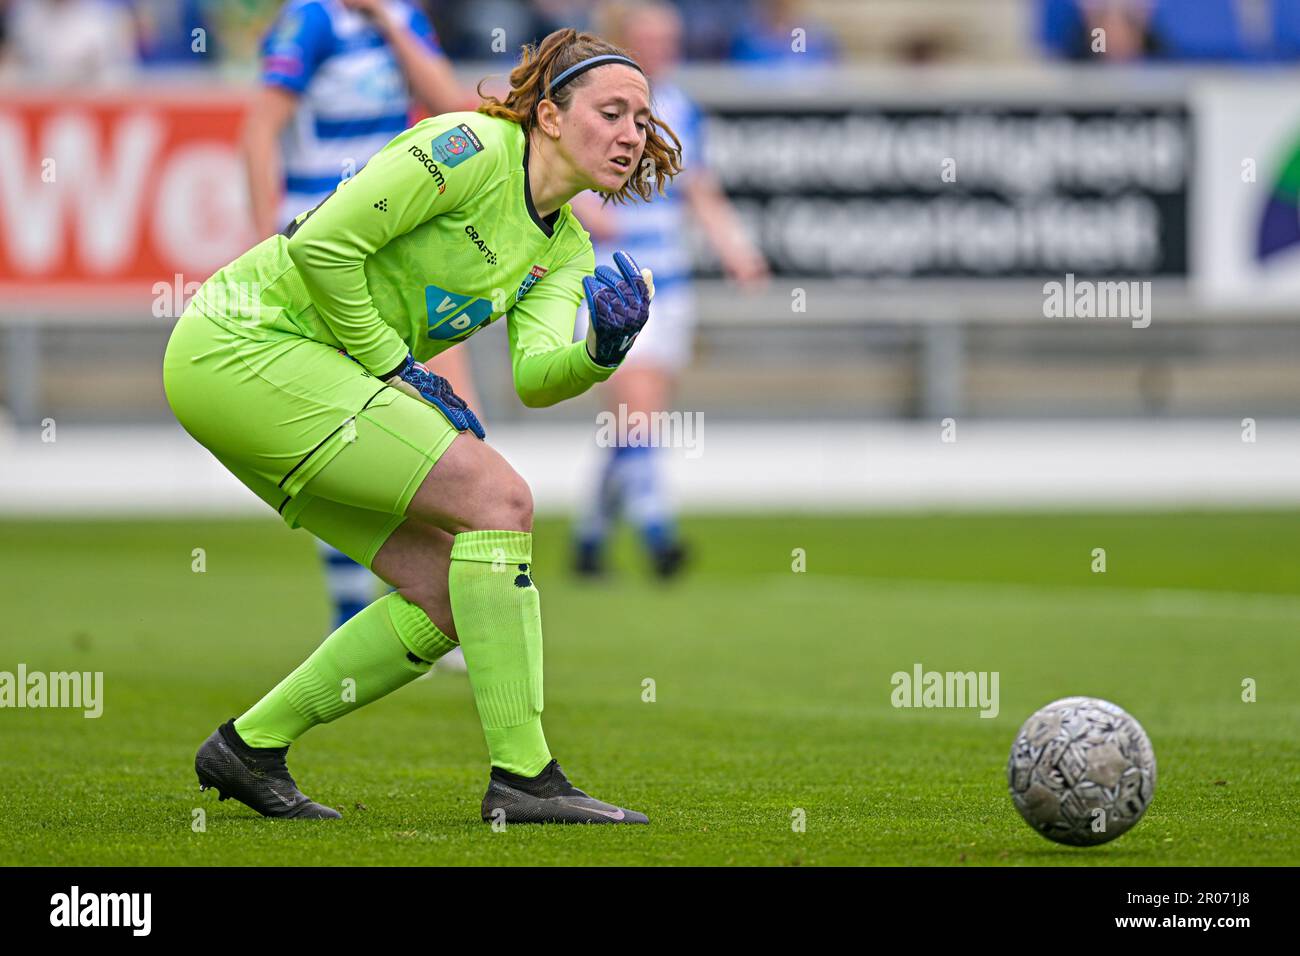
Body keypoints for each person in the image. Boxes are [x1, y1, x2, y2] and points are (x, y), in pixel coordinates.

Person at [163, 27, 681, 824]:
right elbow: (326, 245)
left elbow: (537, 379)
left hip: (298, 375)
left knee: (445, 593)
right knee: (499, 500)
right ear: (548, 114)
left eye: (640, 122)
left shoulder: (568, 243)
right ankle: (525, 778)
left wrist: (601, 351)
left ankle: (249, 748)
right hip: (240, 344)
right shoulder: (468, 144)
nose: (630, 135)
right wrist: (399, 369)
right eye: (611, 112)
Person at [243, 0, 477, 665]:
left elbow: (449, 104)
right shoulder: (310, 21)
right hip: (328, 249)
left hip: (394, 245)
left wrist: (392, 25)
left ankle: (442, 602)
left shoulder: (401, 19)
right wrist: (267, 239)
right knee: (349, 426)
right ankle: (357, 608)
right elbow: (259, 131)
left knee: (446, 417)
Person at [571, 0, 768, 579]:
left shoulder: (681, 108)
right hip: (610, 279)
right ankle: (659, 532)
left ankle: (589, 537)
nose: (663, 50)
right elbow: (550, 175)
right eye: (650, 40)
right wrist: (584, 207)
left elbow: (699, 190)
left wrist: (738, 251)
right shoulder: (594, 107)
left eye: (669, 39)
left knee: (639, 419)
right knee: (639, 410)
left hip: (671, 284)